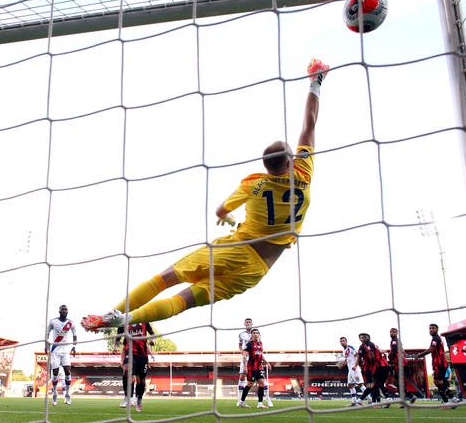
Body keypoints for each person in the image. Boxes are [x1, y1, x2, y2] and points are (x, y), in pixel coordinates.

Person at [80, 58, 329, 332]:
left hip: (235, 249)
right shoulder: (304, 175)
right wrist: (315, 83)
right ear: (291, 161)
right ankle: (128, 320)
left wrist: (230, 218)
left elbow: (220, 210)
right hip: (256, 271)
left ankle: (115, 313)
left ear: (266, 167)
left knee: (166, 279)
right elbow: (309, 125)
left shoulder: (253, 185)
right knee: (182, 302)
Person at [116, 321, 156, 412]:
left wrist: (153, 340)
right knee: (126, 369)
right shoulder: (125, 323)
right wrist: (115, 347)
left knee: (140, 379)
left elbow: (152, 334)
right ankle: (127, 396)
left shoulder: (145, 322)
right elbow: (118, 336)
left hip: (142, 355)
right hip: (130, 353)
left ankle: (139, 399)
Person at [413, 323, 456, 407]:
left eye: (433, 328)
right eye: (430, 328)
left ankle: (450, 400)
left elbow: (431, 349)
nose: (431, 330)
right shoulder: (435, 338)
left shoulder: (436, 338)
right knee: (438, 383)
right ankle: (450, 400)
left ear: (437, 329)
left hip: (440, 363)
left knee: (438, 382)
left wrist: (419, 355)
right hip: (439, 363)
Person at [45, 305, 77, 406]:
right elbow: (47, 333)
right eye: (62, 309)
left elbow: (75, 335)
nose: (64, 311)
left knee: (68, 371)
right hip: (55, 350)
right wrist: (46, 345)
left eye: (66, 310)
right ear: (59, 311)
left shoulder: (71, 323)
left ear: (67, 312)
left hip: (65, 351)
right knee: (55, 373)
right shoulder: (53, 321)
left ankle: (67, 395)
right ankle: (54, 394)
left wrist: (74, 346)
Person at [238, 328, 272, 409]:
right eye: (254, 333)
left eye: (257, 333)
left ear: (259, 335)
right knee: (250, 384)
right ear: (252, 335)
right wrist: (245, 366)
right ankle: (242, 401)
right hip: (251, 367)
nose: (256, 334)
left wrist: (267, 363)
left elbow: (261, 355)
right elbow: (244, 355)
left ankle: (260, 403)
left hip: (259, 367)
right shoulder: (249, 344)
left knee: (262, 383)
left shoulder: (260, 344)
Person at [388, 327, 416, 407]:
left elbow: (393, 351)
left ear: (396, 333)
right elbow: (403, 351)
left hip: (399, 363)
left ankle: (404, 400)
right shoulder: (398, 341)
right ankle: (410, 396)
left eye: (393, 332)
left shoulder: (394, 341)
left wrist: (390, 356)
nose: (391, 333)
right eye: (390, 332)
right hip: (402, 363)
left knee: (399, 382)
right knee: (399, 382)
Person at [338, 336, 367, 406]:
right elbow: (347, 359)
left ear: (346, 341)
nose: (342, 342)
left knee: (360, 385)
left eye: (343, 341)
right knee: (350, 385)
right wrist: (342, 365)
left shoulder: (351, 348)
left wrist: (355, 365)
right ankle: (354, 402)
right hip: (350, 370)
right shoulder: (344, 351)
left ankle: (370, 399)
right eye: (341, 341)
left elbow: (358, 356)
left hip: (355, 369)